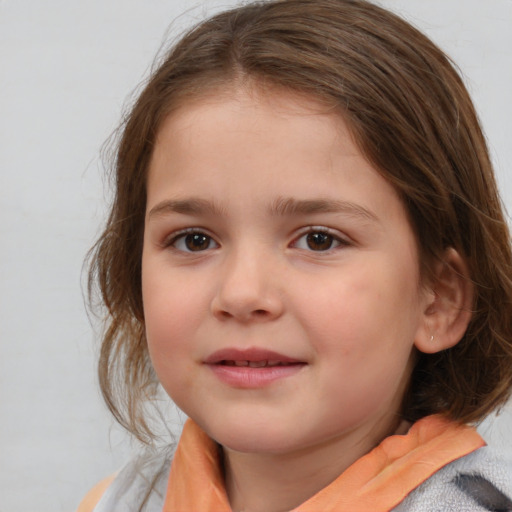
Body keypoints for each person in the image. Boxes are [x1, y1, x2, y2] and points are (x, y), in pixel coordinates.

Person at [79, 0, 512, 510]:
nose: (241, 294)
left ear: (438, 298)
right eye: (194, 239)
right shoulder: (115, 502)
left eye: (319, 240)